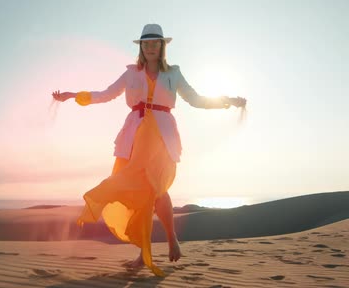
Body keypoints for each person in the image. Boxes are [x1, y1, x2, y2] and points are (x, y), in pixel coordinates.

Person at [52, 24, 246, 276]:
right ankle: (144, 253)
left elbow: (196, 99)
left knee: (157, 189)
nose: (151, 47)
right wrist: (72, 95)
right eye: (146, 43)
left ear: (162, 46)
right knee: (141, 192)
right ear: (141, 47)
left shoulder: (174, 73)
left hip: (162, 137)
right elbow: (106, 94)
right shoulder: (131, 74)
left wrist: (226, 101)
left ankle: (171, 237)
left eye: (156, 42)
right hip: (135, 136)